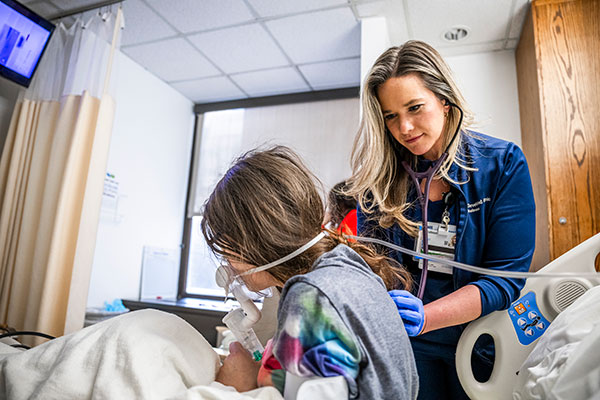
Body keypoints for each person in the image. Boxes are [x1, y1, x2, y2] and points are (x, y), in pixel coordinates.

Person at [348, 40, 535, 399]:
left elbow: (505, 281)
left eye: (415, 107)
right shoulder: (377, 186)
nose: (404, 127)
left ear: (444, 101)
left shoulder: (502, 166)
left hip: (479, 342)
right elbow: (371, 270)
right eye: (390, 116)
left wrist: (428, 316)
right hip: (408, 345)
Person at [202, 146, 419, 399]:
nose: (229, 266)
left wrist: (239, 386)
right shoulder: (347, 265)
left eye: (227, 252)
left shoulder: (310, 295)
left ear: (250, 244)